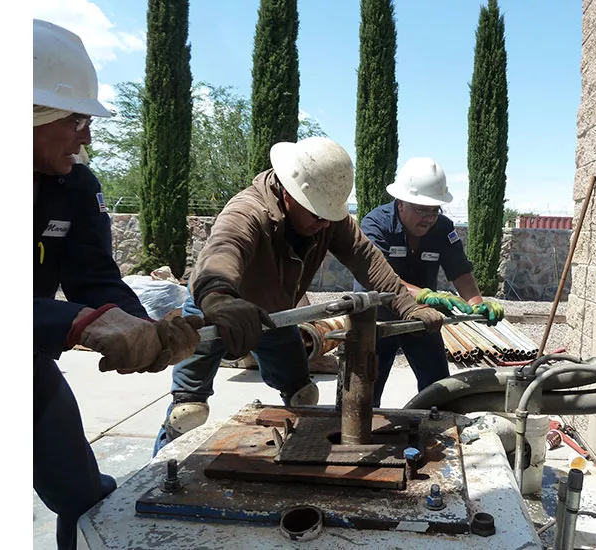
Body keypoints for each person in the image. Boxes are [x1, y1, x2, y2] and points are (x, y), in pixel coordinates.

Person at [152, 137, 446, 455]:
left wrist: (405, 306)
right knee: (188, 413)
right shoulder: (248, 211)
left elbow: (367, 258)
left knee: (302, 395)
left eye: (328, 216)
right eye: (316, 214)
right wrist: (220, 298)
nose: (322, 223)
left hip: (277, 315)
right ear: (289, 190)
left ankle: (300, 457)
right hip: (215, 307)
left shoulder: (328, 220)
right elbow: (223, 250)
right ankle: (158, 474)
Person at [33, 20, 203, 550]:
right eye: (77, 118)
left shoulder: (75, 186)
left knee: (83, 495)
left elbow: (94, 276)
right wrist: (77, 322)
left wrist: (146, 327)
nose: (87, 135)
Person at [353, 157, 505, 407]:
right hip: (376, 320)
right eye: (421, 210)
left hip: (424, 318)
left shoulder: (444, 228)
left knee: (439, 390)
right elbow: (377, 277)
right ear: (400, 203)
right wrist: (423, 295)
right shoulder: (375, 224)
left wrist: (477, 303)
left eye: (434, 210)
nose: (428, 218)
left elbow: (460, 272)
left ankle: (435, 435)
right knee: (364, 393)